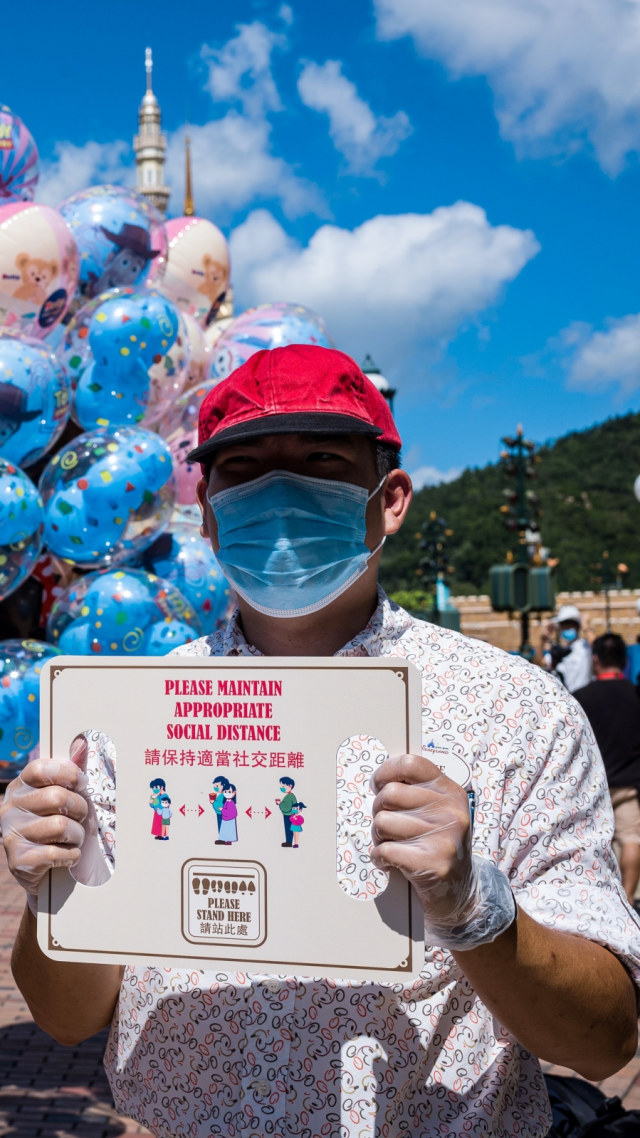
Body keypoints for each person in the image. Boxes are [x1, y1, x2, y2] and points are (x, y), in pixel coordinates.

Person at [1, 344, 640, 1138]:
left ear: (391, 498)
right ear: (205, 512)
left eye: (320, 459)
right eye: (243, 468)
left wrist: (475, 907)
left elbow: (605, 1038)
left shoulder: (518, 712)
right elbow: (68, 1019)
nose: (279, 492)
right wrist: (50, 890)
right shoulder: (127, 716)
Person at [573, 632, 640, 907]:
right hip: (629, 783)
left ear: (596, 659)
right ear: (624, 662)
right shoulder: (635, 696)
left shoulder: (580, 698)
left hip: (594, 786)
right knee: (631, 839)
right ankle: (627, 899)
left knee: (592, 844)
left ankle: (600, 901)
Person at [541, 603, 593, 692]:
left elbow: (596, 646)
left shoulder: (585, 648)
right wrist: (542, 639)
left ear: (577, 626)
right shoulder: (557, 652)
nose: (567, 628)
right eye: (564, 625)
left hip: (583, 700)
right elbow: (539, 662)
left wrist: (585, 625)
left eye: (571, 625)